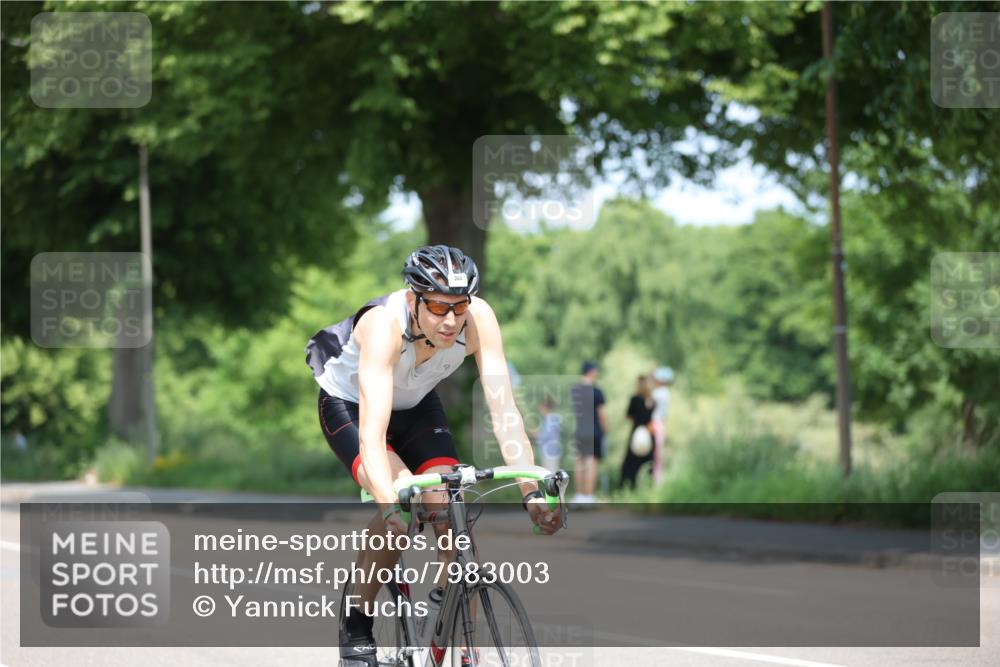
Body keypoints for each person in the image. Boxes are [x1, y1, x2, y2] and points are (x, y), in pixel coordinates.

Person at [305, 245, 563, 667]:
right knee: (403, 509)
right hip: (352, 407)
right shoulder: (383, 326)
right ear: (413, 300)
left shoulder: (479, 319)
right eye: (439, 307)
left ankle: (456, 629)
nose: (450, 321)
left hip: (419, 405)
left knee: (450, 505)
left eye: (458, 307)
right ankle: (357, 624)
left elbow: (505, 412)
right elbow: (372, 434)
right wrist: (390, 503)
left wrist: (530, 491)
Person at [570, 361, 606, 504]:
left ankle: (579, 495)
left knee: (579, 460)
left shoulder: (575, 390)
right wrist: (604, 431)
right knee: (591, 461)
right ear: (591, 371)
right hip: (594, 430)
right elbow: (602, 414)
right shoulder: (597, 392)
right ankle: (589, 495)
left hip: (580, 429)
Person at [619, 374, 655, 489]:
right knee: (648, 462)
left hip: (637, 432)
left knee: (630, 463)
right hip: (649, 433)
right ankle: (647, 486)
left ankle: (627, 486)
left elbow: (628, 416)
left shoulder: (635, 399)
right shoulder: (652, 401)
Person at [650, 366, 674, 484]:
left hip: (655, 424)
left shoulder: (659, 393)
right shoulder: (665, 392)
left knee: (655, 456)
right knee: (657, 456)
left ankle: (656, 482)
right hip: (660, 424)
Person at [532, 395, 562, 472]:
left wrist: (537, 434)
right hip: (549, 453)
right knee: (549, 476)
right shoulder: (550, 419)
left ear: (545, 407)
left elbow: (545, 436)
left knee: (551, 476)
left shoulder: (550, 419)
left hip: (550, 453)